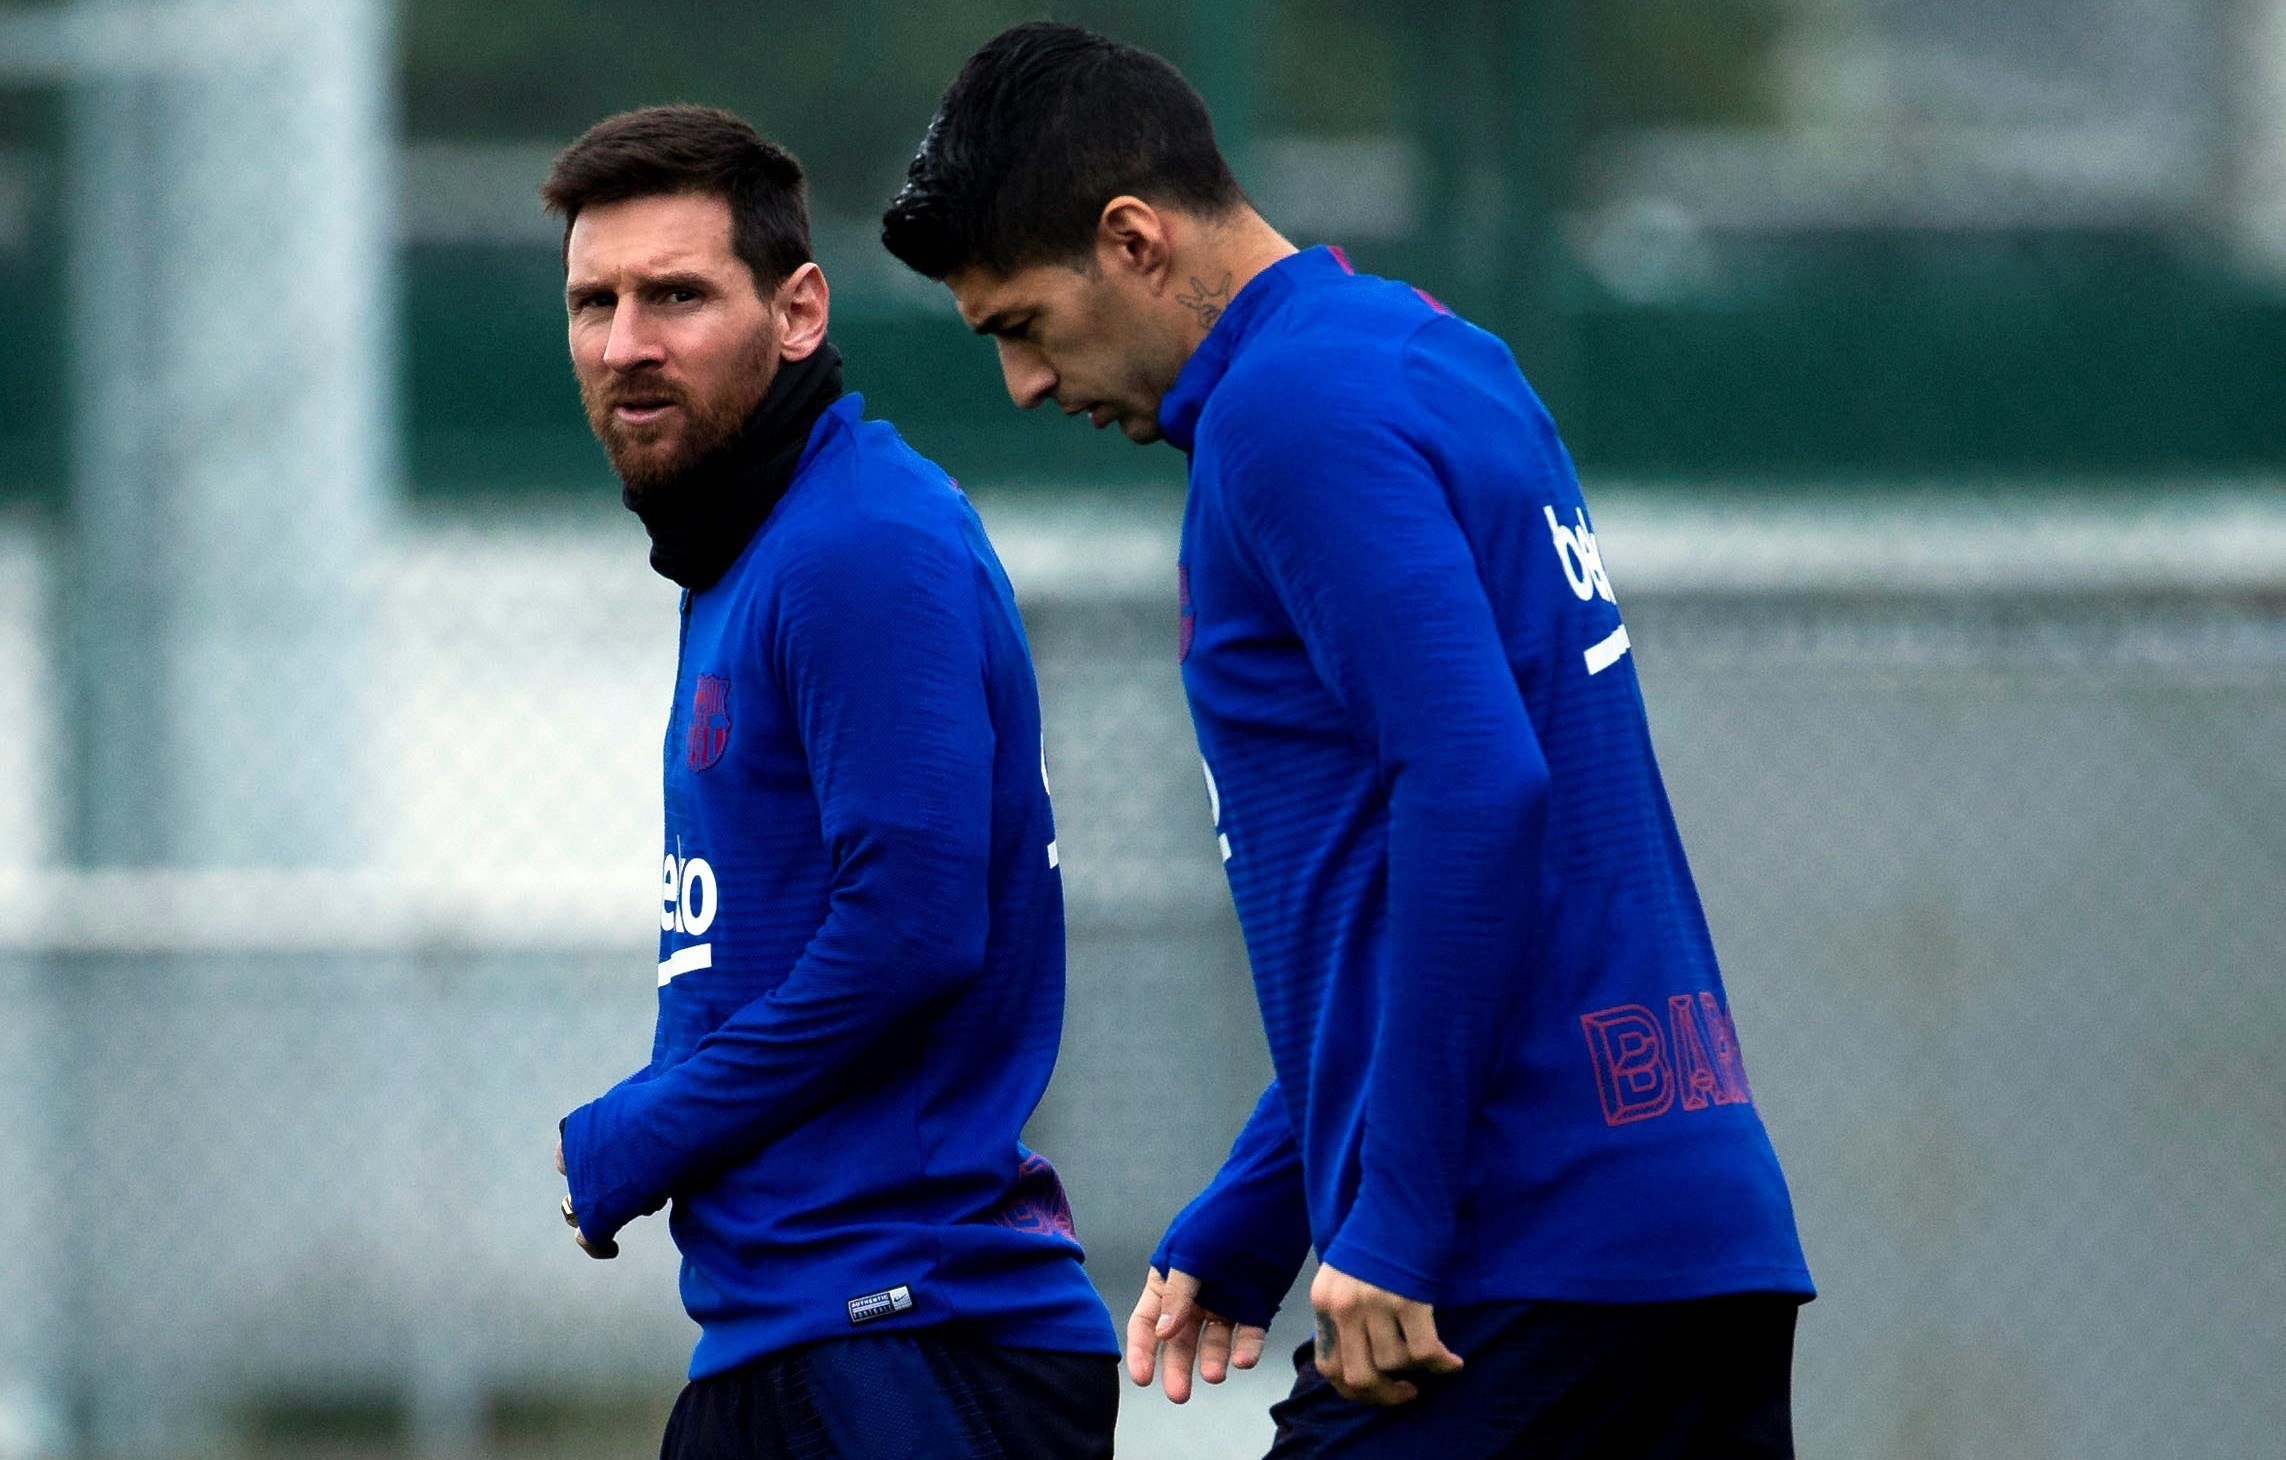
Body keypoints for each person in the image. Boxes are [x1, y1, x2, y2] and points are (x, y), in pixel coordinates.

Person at [881, 24, 1815, 1457]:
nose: (1023, 384)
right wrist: (1274, 1192)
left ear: (1132, 241)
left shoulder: (1283, 414)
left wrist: (1395, 1214)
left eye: (1019, 325)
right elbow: (1436, 880)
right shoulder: (1438, 356)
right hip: (1685, 1231)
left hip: (1522, 1256)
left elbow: (1478, 789)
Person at [544, 105, 1118, 1459]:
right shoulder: (748, 550)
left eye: (676, 296)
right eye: (594, 302)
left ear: (797, 312)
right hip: (800, 1328)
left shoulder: (858, 542)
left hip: (905, 1331)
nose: (626, 343)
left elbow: (912, 927)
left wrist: (646, 1126)